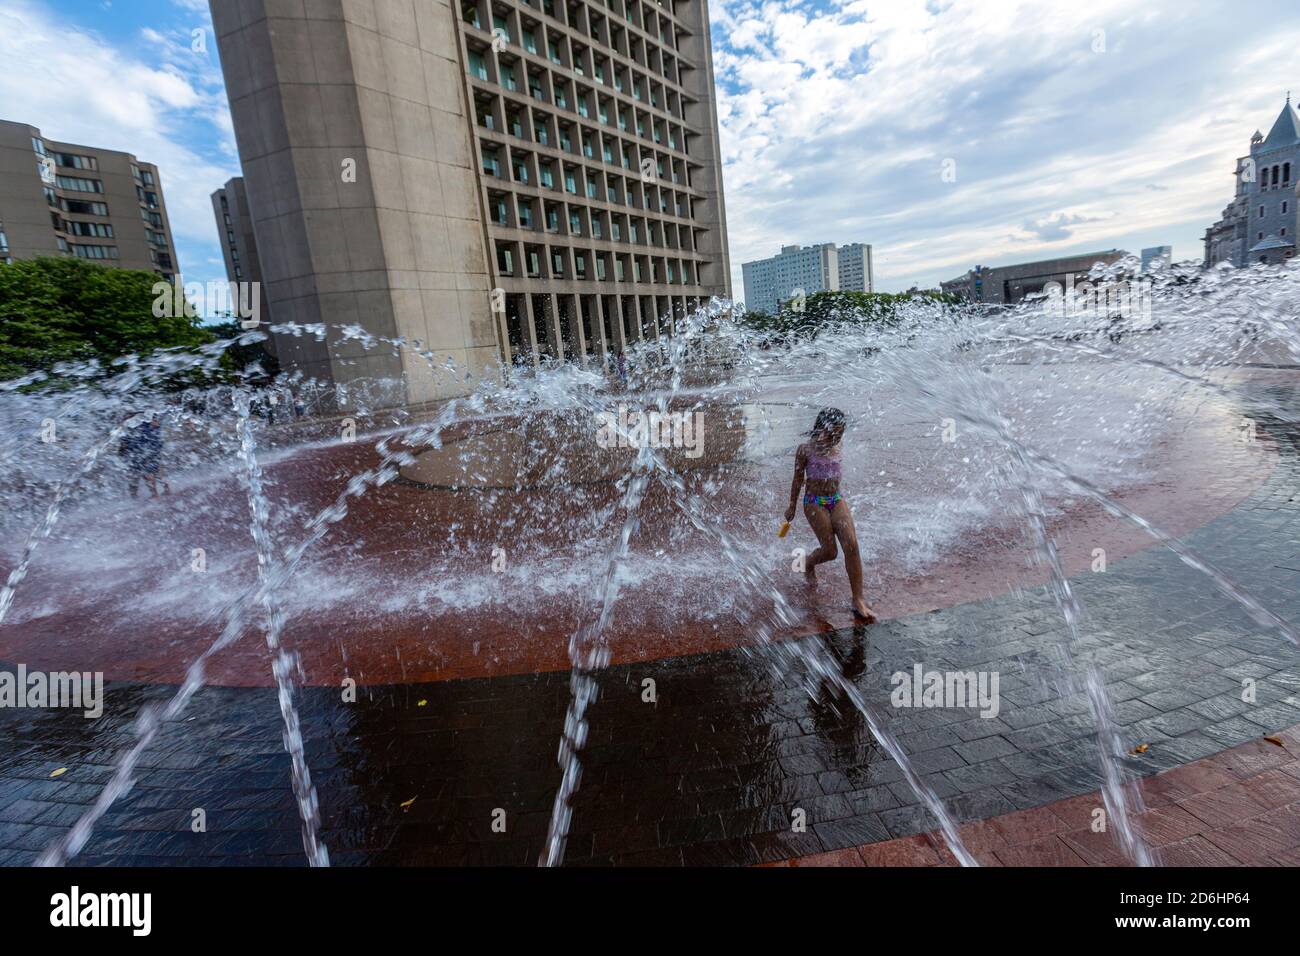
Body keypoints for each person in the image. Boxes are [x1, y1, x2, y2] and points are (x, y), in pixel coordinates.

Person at [784, 407, 876, 622]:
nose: (837, 437)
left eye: (841, 433)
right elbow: (797, 480)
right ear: (821, 428)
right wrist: (792, 507)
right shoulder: (805, 450)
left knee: (852, 545)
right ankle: (808, 563)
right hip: (814, 502)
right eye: (833, 432)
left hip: (836, 499)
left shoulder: (838, 445)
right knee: (831, 551)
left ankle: (858, 599)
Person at [121, 412, 169, 498]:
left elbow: (156, 423)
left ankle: (154, 494)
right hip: (142, 446)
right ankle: (162, 491)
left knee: (145, 472)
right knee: (148, 471)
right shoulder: (134, 421)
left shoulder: (142, 419)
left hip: (145, 446)